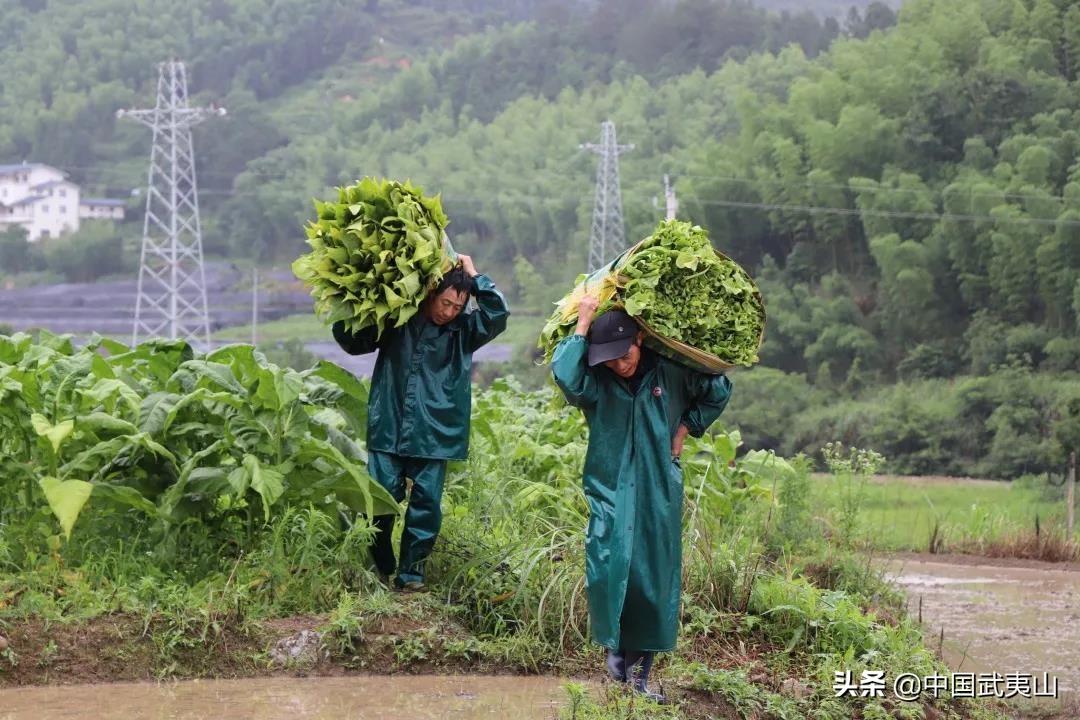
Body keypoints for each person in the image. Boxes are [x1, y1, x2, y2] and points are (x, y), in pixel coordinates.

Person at [551, 294, 732, 702]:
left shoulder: (670, 372)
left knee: (652, 574)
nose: (620, 364)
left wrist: (686, 427)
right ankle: (615, 657)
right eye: (610, 358)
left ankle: (639, 676)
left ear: (640, 340)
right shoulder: (596, 384)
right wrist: (582, 324)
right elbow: (564, 374)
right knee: (608, 568)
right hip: (609, 487)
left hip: (656, 489)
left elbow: (719, 387)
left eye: (624, 353)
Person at [333, 254, 509, 591]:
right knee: (378, 501)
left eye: (458, 306)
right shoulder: (398, 320)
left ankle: (411, 575)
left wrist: (474, 275)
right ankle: (381, 565)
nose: (449, 312)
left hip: (435, 433)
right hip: (390, 425)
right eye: (445, 303)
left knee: (425, 507)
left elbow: (497, 314)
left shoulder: (464, 332)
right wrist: (355, 302)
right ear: (430, 294)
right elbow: (353, 341)